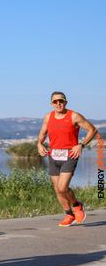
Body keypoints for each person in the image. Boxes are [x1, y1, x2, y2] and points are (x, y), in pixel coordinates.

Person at [37, 91, 99, 227]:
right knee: (57, 189)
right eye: (55, 101)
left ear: (65, 102)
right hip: (53, 156)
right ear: (51, 104)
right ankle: (69, 214)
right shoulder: (48, 117)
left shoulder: (74, 116)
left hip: (70, 155)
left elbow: (92, 130)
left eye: (61, 101)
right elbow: (42, 133)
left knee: (62, 187)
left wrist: (81, 145)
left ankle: (77, 205)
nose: (58, 103)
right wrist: (39, 144)